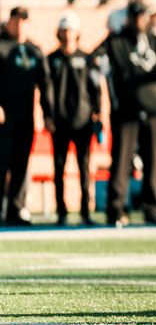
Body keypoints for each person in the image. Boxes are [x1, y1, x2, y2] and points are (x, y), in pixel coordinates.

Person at [94, 1, 156, 226]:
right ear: (128, 18)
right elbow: (96, 57)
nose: (138, 21)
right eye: (134, 16)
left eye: (141, 16)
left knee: (153, 161)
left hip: (154, 110)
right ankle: (116, 209)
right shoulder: (117, 41)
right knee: (121, 162)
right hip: (126, 112)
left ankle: (152, 208)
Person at [47, 13, 102, 226]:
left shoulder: (87, 59)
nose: (68, 35)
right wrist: (48, 115)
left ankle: (85, 211)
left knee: (84, 167)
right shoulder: (52, 60)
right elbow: (46, 91)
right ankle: (61, 212)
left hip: (82, 121)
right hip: (59, 122)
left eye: (71, 31)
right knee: (59, 168)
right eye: (65, 30)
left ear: (77, 33)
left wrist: (96, 111)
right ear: (59, 33)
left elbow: (95, 86)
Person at [0, 8, 54, 225]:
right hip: (3, 118)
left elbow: (45, 84)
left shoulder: (34, 51)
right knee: (1, 162)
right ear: (10, 22)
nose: (20, 25)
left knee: (21, 163)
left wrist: (48, 115)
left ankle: (16, 209)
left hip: (25, 116)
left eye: (24, 21)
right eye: (16, 21)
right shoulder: (1, 46)